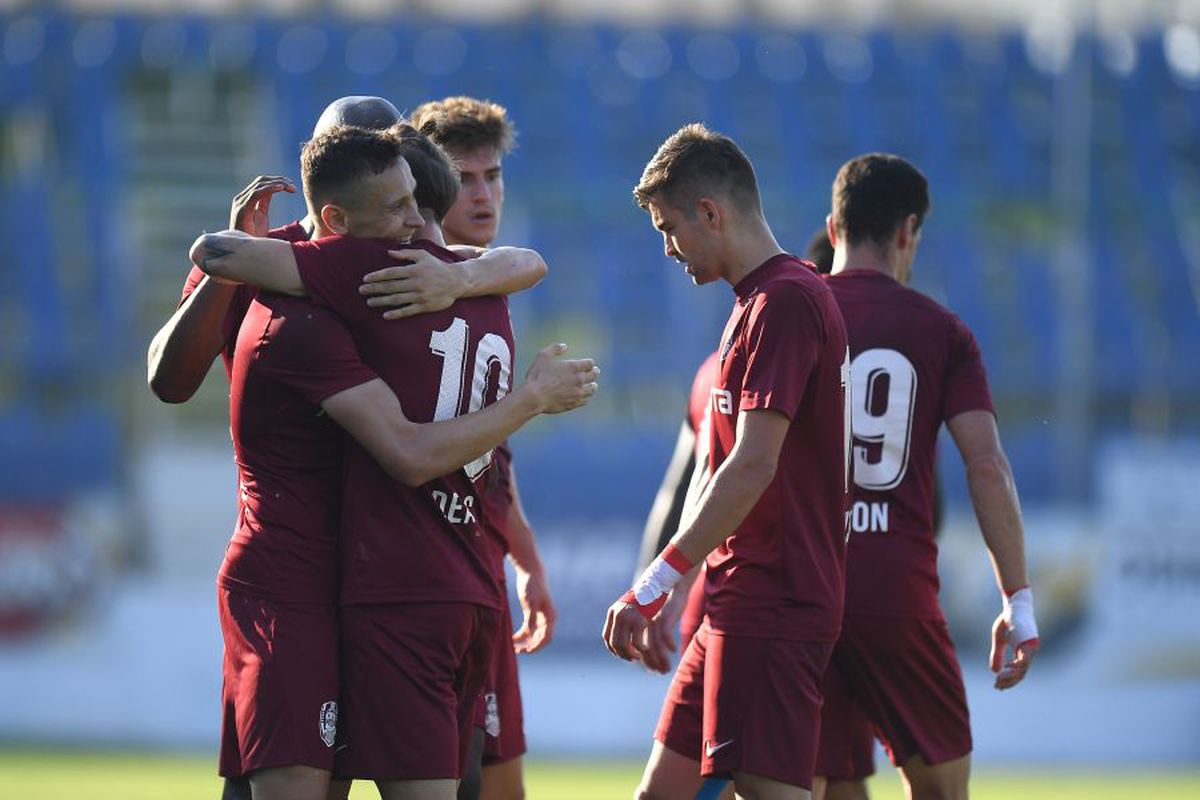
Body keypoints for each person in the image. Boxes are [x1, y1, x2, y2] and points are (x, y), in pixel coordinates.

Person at [146, 97, 551, 800]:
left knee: (459, 778)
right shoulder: (276, 268)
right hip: (299, 571)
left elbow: (519, 263)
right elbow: (170, 378)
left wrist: (462, 275)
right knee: (297, 777)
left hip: (394, 573)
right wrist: (227, 267)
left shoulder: (413, 262)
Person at [603, 123, 850, 800]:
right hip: (734, 598)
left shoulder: (785, 302)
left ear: (710, 213)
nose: (667, 248)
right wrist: (680, 583)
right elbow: (715, 468)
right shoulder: (754, 302)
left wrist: (654, 583)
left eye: (668, 228)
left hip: (774, 602)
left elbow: (751, 466)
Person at [813, 154, 1039, 800]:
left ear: (833, 228)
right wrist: (1017, 600)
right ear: (909, 230)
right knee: (940, 789)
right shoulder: (941, 332)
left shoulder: (784, 314)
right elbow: (986, 466)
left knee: (803, 785)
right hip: (895, 591)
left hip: (801, 587)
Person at [400, 96, 544, 800]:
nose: (484, 195)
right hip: (417, 579)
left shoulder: (487, 284)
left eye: (494, 176)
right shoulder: (407, 283)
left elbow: (491, 463)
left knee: (499, 784)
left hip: (479, 573)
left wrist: (527, 564)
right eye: (465, 178)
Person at [635, 229, 838, 680]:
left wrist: (653, 581)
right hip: (766, 602)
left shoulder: (719, 363)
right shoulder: (805, 353)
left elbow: (683, 486)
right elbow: (703, 476)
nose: (669, 247)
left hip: (723, 596)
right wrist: (654, 584)